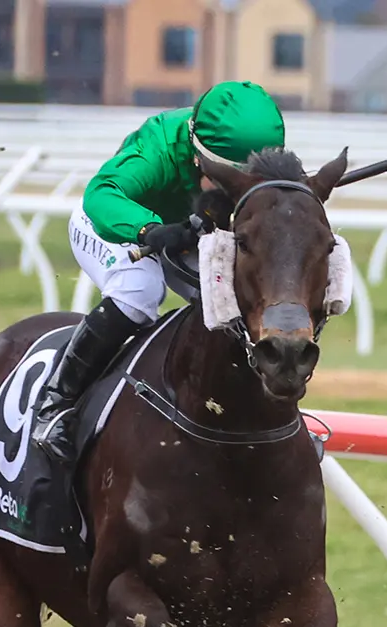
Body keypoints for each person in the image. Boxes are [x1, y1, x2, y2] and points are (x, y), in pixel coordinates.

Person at [31, 80, 288, 464]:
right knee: (139, 290)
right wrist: (150, 230)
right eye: (225, 182)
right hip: (117, 226)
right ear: (200, 157)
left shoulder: (249, 151)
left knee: (232, 303)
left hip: (185, 235)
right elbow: (101, 194)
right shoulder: (158, 148)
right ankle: (55, 404)